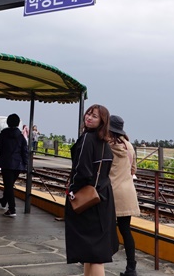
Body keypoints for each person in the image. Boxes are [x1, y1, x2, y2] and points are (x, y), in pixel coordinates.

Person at [65, 104, 118, 276]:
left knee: (94, 254)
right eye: (88, 113)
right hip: (103, 198)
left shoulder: (88, 138)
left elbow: (82, 171)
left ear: (102, 121)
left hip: (88, 201)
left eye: (95, 116)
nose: (89, 117)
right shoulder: (104, 142)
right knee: (92, 251)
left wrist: (72, 191)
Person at [108, 115, 140, 276]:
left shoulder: (108, 146)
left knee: (104, 227)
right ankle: (131, 268)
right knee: (125, 230)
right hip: (128, 193)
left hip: (112, 192)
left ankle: (96, 259)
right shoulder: (129, 146)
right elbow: (133, 170)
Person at [0, 113, 28, 217]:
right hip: (18, 165)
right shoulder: (21, 137)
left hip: (6, 163)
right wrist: (25, 164)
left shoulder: (3, 135)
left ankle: (12, 209)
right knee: (9, 186)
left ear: (8, 122)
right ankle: (4, 201)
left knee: (8, 186)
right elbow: (24, 151)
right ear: (18, 123)